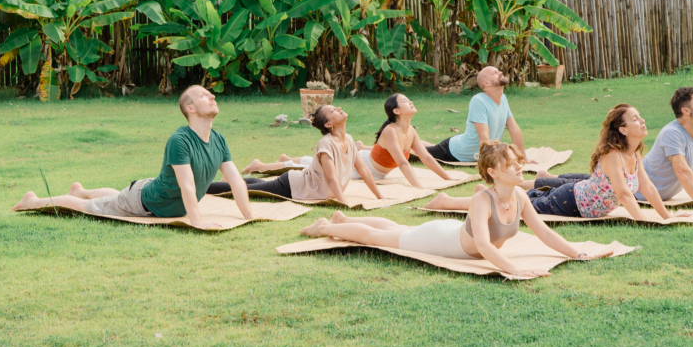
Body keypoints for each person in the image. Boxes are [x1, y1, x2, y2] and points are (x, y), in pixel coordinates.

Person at [298, 141, 611, 278]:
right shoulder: (482, 199)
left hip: (450, 235)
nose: (520, 167)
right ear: (493, 173)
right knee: (377, 238)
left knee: (398, 228)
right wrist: (514, 269)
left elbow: (544, 233)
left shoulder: (519, 196)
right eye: (512, 164)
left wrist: (577, 253)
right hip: (439, 240)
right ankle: (326, 227)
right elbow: (484, 246)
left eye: (519, 162)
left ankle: (342, 219)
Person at [12, 85, 253, 229]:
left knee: (118, 198)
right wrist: (198, 223)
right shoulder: (179, 140)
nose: (212, 97)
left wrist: (250, 217)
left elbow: (236, 181)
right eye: (204, 95)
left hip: (150, 192)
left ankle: (80, 189)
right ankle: (33, 201)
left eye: (211, 94)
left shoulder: (219, 140)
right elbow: (187, 186)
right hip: (144, 202)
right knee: (88, 208)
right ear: (190, 108)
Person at [426, 105, 692, 222]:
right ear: (622, 130)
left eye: (640, 117)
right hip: (570, 202)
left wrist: (667, 216)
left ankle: (487, 193)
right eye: (635, 119)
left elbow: (648, 188)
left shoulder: (633, 155)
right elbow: (623, 193)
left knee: (521, 198)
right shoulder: (613, 155)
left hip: (575, 198)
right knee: (513, 206)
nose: (642, 121)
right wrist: (644, 220)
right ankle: (448, 201)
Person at [249, 94, 463, 189]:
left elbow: (426, 157)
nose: (412, 102)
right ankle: (261, 165)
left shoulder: (411, 131)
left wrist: (448, 177)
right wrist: (419, 187)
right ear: (396, 111)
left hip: (368, 163)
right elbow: (403, 163)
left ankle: (286, 158)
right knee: (312, 167)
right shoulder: (390, 131)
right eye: (406, 101)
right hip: (361, 166)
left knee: (309, 162)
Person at [209, 105, 383, 205]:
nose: (338, 108)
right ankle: (203, 188)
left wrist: (380, 196)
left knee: (259, 184)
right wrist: (343, 202)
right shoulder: (326, 144)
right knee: (247, 189)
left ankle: (227, 179)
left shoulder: (349, 140)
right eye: (333, 111)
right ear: (328, 124)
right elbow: (331, 178)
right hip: (294, 185)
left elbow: (364, 170)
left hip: (300, 182)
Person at [421, 66, 551, 174]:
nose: (500, 73)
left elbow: (514, 130)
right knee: (422, 151)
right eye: (495, 73)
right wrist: (496, 164)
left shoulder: (503, 98)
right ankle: (411, 140)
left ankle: (416, 141)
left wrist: (523, 158)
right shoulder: (478, 101)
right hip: (455, 151)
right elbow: (484, 138)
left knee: (429, 147)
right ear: (486, 83)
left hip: (462, 143)